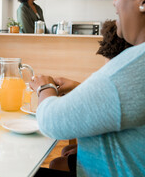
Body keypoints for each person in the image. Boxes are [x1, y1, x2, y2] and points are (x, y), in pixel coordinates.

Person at [31, 0, 145, 176]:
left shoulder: (136, 64)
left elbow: (51, 121)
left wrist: (44, 88)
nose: (114, 2)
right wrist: (91, 145)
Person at [48, 19, 133, 174]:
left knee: (56, 164)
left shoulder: (116, 81)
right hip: (125, 148)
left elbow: (55, 125)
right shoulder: (131, 78)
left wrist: (45, 89)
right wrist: (75, 85)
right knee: (68, 149)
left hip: (121, 163)